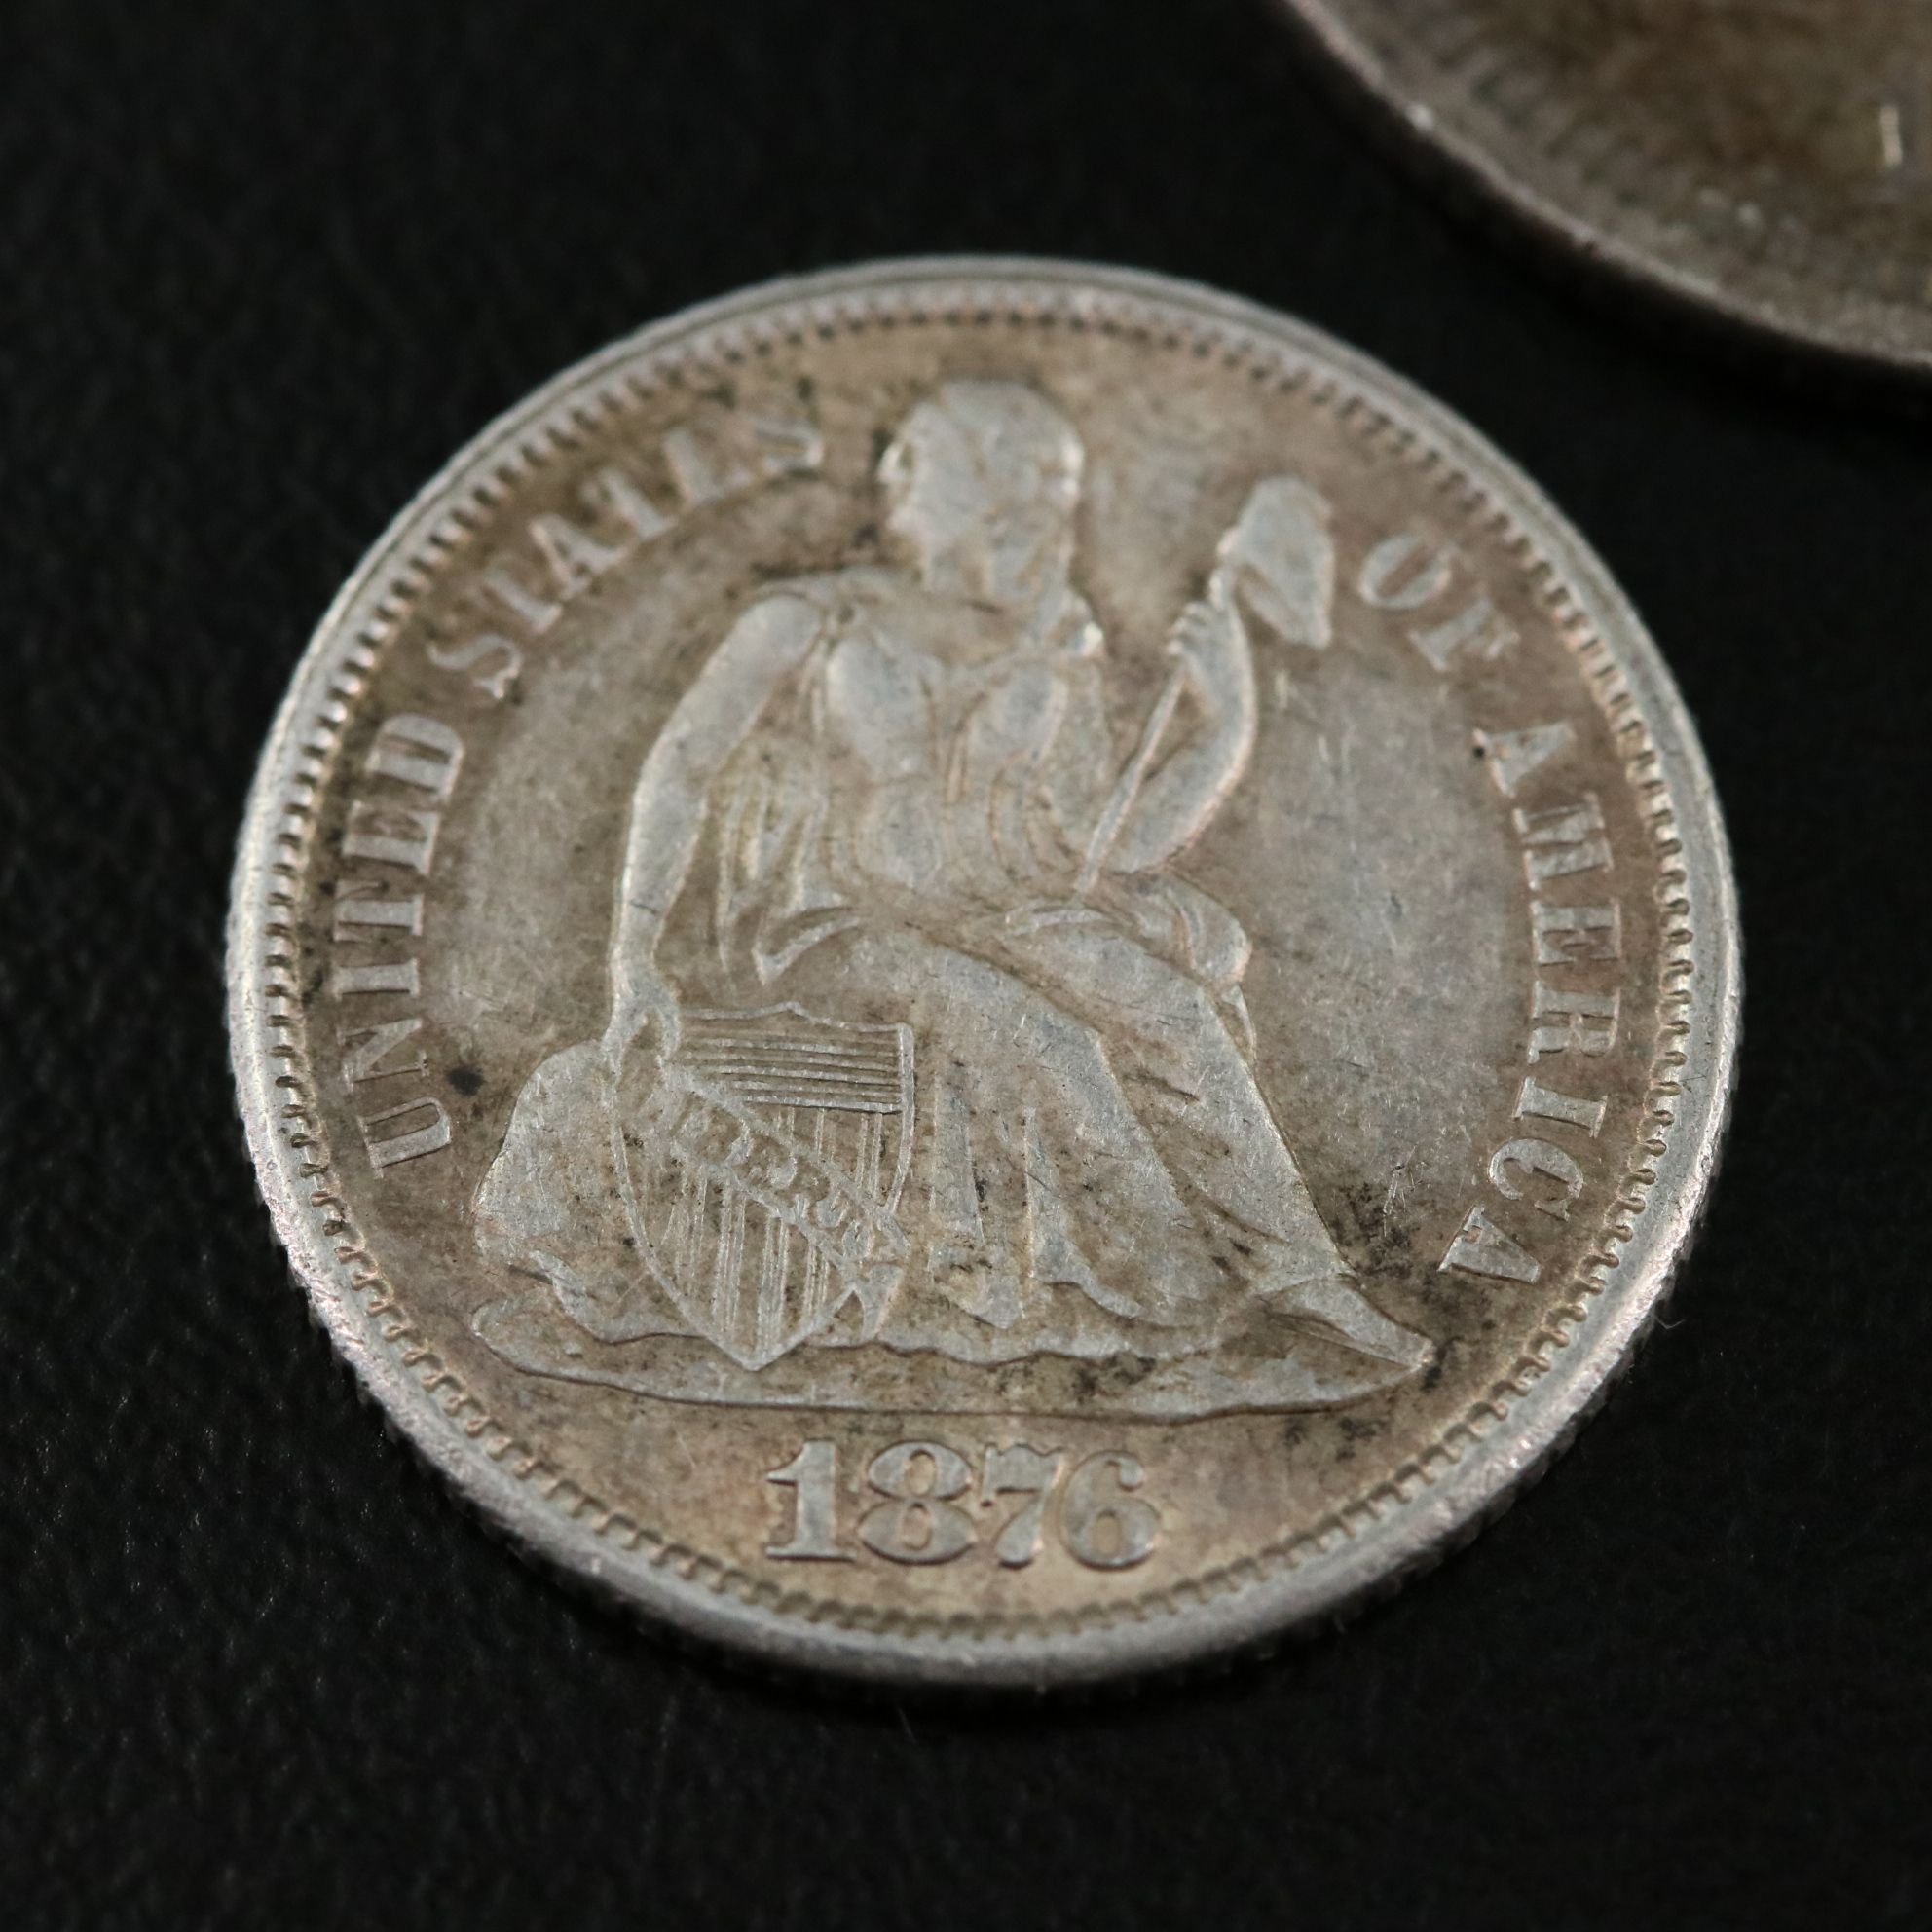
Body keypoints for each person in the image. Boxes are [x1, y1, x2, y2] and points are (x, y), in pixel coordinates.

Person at [473, 380, 1429, 1410]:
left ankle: (1306, 1283)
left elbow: (1104, 846)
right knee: (1036, 1032)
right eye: (1033, 487)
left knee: (1168, 1007)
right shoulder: (806, 617)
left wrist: (1222, 725)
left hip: (1004, 906)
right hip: (832, 930)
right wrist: (634, 958)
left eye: (1058, 494)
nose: (1052, 517)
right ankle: (1177, 1304)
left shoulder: (1059, 639)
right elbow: (683, 766)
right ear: (971, 485)